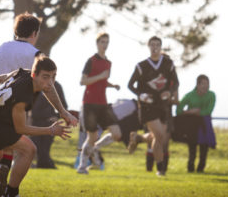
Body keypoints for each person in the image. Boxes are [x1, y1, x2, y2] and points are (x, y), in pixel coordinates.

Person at [0, 12, 77, 196]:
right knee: (27, 151)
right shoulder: (36, 55)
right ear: (34, 33)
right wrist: (63, 111)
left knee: (3, 150)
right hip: (13, 109)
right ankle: (12, 191)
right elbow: (48, 87)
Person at [0, 55, 71, 197]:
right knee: (29, 150)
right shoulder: (23, 96)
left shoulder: (23, 72)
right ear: (34, 74)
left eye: (53, 77)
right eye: (45, 77)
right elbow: (21, 129)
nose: (50, 82)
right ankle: (11, 193)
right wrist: (51, 130)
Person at [128, 36, 179, 176]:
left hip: (163, 106)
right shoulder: (142, 66)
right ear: (148, 46)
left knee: (159, 138)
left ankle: (139, 139)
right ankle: (160, 168)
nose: (155, 47)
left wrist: (170, 92)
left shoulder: (168, 64)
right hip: (147, 106)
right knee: (159, 134)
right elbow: (130, 85)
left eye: (157, 44)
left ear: (161, 46)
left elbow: (176, 83)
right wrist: (141, 95)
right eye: (152, 45)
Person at [77, 32, 120, 174]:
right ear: (97, 43)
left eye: (107, 42)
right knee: (92, 136)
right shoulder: (91, 61)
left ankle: (95, 148)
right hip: (89, 103)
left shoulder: (109, 63)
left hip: (103, 104)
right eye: (102, 42)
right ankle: (82, 166)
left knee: (116, 134)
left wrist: (111, 85)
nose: (105, 45)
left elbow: (101, 82)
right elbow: (83, 81)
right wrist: (101, 76)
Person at [176, 74, 216, 173]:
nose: (206, 86)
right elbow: (179, 110)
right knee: (192, 147)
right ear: (198, 85)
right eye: (203, 84)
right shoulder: (189, 95)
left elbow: (208, 110)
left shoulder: (211, 95)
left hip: (205, 124)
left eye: (207, 84)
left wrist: (198, 112)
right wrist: (190, 112)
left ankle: (201, 168)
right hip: (192, 125)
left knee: (204, 148)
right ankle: (190, 168)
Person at [31, 80, 67, 168]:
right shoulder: (34, 84)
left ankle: (45, 165)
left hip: (50, 122)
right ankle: (46, 165)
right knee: (37, 146)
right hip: (35, 121)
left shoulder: (57, 86)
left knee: (45, 147)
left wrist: (57, 116)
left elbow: (64, 105)